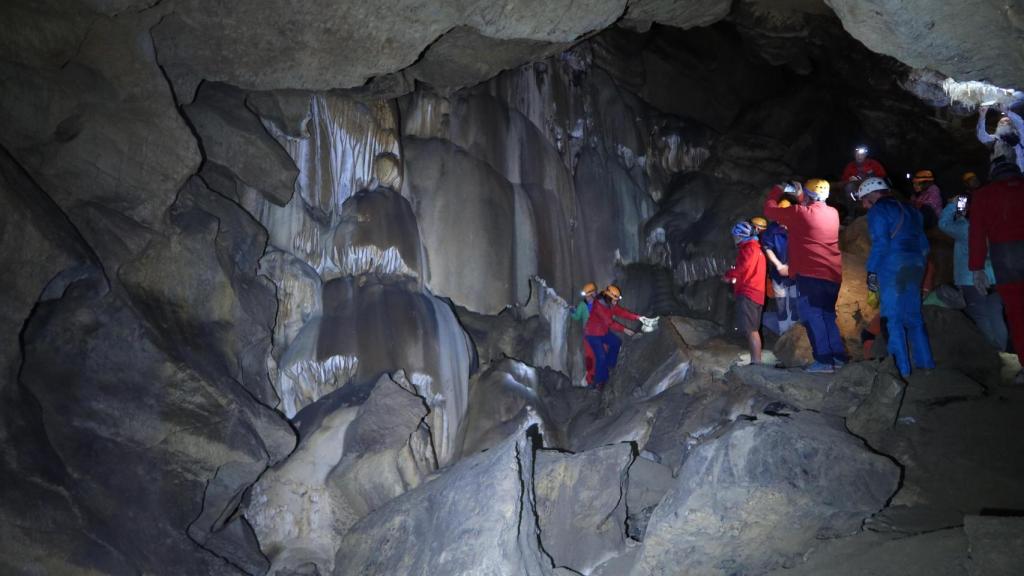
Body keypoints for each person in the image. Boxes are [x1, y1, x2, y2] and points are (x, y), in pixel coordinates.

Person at [854, 177, 936, 378]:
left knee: (892, 318)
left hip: (893, 265)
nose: (865, 205)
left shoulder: (878, 211)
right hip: (916, 264)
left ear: (874, 194)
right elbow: (925, 245)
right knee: (914, 317)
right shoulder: (912, 210)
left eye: (865, 199)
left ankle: (901, 369)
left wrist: (872, 271)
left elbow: (881, 244)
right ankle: (926, 365)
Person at [764, 178, 847, 373]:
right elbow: (809, 209)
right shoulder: (833, 213)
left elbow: (769, 210)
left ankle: (824, 360)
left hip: (811, 275)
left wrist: (778, 189)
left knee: (812, 316)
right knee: (827, 316)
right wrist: (801, 195)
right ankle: (838, 356)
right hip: (832, 275)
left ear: (808, 196)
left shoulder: (799, 213)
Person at [969, 160, 1024, 384]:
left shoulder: (984, 195)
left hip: (1007, 259)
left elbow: (977, 233)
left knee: (1018, 315)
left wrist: (977, 268)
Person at [938, 184, 1008, 352]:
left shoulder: (966, 228)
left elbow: (943, 224)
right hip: (996, 277)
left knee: (980, 316)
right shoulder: (997, 223)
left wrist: (954, 205)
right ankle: (1005, 350)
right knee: (996, 315)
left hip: (971, 279)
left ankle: (994, 352)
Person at [723, 221, 767, 365]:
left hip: (749, 292)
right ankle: (756, 360)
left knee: (751, 330)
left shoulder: (749, 249)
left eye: (735, 236)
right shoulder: (757, 249)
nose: (734, 239)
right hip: (756, 292)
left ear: (740, 235)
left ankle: (756, 362)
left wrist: (729, 275)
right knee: (752, 329)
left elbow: (743, 267)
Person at [584, 285, 640, 390]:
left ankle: (610, 366)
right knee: (601, 357)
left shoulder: (610, 304)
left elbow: (621, 312)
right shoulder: (599, 306)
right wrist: (625, 330)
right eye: (614, 300)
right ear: (608, 297)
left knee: (616, 342)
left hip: (602, 332)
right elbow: (610, 323)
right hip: (592, 335)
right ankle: (598, 382)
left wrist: (637, 317)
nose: (616, 302)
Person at [759, 218, 799, 334]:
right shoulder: (772, 230)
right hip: (779, 275)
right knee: (781, 305)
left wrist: (791, 266)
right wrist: (779, 266)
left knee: (794, 303)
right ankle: (783, 331)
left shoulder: (799, 226)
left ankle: (792, 331)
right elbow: (768, 248)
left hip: (795, 274)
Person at [977, 104, 1024, 173]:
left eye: (1007, 121)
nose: (1003, 123)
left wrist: (1007, 112)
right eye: (1001, 122)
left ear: (1012, 126)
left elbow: (1021, 124)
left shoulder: (1020, 138)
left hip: (1019, 173)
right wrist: (982, 117)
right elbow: (982, 136)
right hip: (1001, 173)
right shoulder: (996, 138)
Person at [570, 282, 599, 387]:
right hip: (589, 334)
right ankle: (590, 379)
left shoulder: (599, 304)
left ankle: (600, 377)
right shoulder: (583, 305)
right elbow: (577, 317)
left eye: (589, 295)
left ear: (594, 294)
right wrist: (572, 311)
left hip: (598, 333)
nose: (587, 298)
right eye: (586, 296)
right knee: (590, 357)